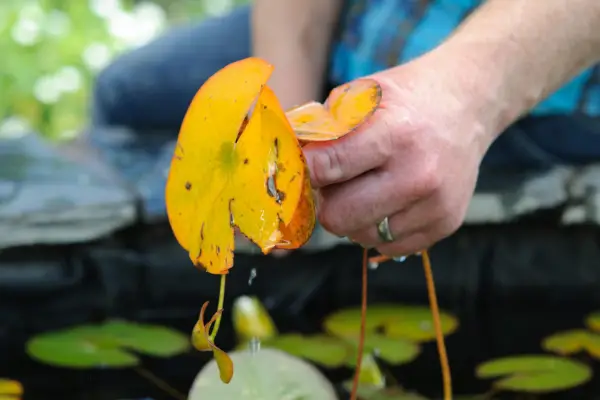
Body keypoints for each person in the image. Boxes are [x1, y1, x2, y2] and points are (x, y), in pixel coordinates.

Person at [92, 0, 600, 258]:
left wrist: (467, 101)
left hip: (558, 74)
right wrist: (282, 111)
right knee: (125, 97)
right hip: (372, 18)